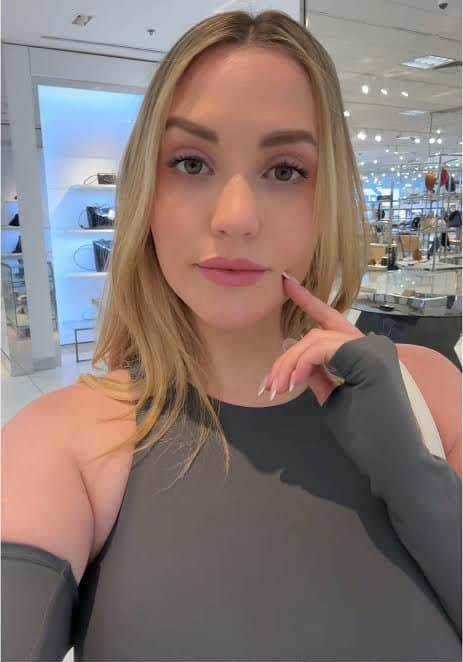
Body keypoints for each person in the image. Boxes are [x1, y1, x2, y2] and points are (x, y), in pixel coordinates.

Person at [2, 9, 462, 661]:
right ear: (145, 192)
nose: (236, 217)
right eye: (191, 162)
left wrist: (413, 477)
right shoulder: (62, 444)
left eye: (285, 170)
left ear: (328, 197)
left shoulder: (427, 393)